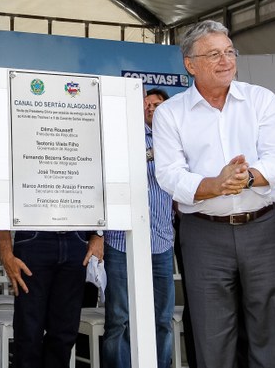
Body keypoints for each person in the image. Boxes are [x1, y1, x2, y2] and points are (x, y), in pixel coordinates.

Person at [153, 19, 275, 368]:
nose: (226, 60)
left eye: (229, 52)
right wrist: (216, 184)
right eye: (214, 54)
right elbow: (168, 174)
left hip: (264, 229)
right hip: (204, 233)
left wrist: (243, 180)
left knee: (273, 328)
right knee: (212, 332)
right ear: (190, 63)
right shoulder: (170, 113)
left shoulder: (261, 100)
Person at [102, 87, 175, 368]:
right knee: (119, 318)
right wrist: (151, 153)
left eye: (157, 104)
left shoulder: (176, 139)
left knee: (162, 318)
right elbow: (117, 169)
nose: (151, 108)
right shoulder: (123, 136)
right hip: (121, 241)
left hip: (162, 241)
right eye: (146, 104)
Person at [0, 228, 102, 368]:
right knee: (29, 334)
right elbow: (0, 206)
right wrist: (5, 254)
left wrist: (97, 234)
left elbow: (96, 205)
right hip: (33, 236)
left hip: (74, 237)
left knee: (64, 335)